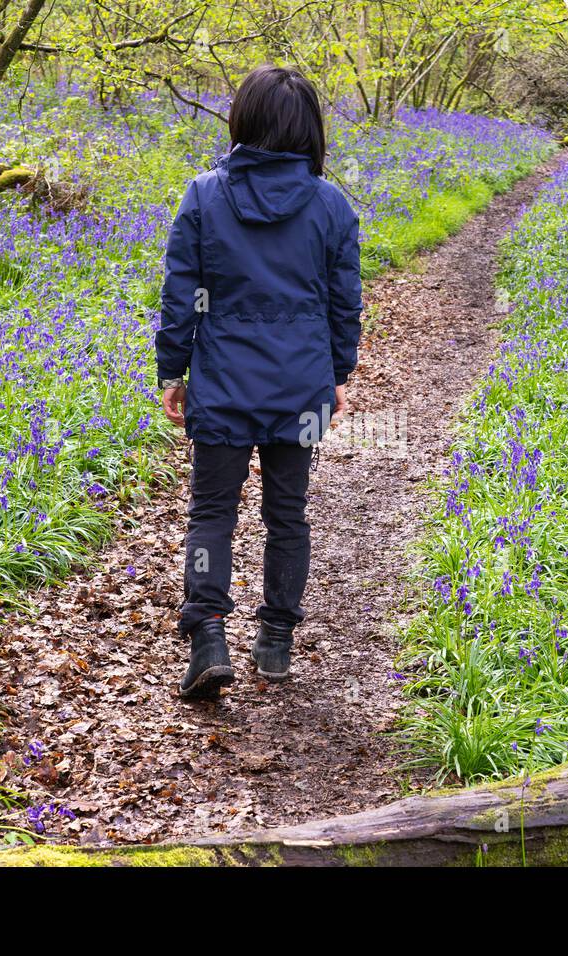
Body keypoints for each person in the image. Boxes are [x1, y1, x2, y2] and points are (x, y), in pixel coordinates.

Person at [155, 65, 363, 699]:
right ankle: (275, 640)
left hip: (221, 383)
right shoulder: (331, 207)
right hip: (300, 387)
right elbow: (343, 302)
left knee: (212, 513)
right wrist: (337, 373)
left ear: (243, 120)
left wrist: (173, 367)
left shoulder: (203, 195)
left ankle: (208, 637)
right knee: (287, 516)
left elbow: (182, 295)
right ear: (308, 131)